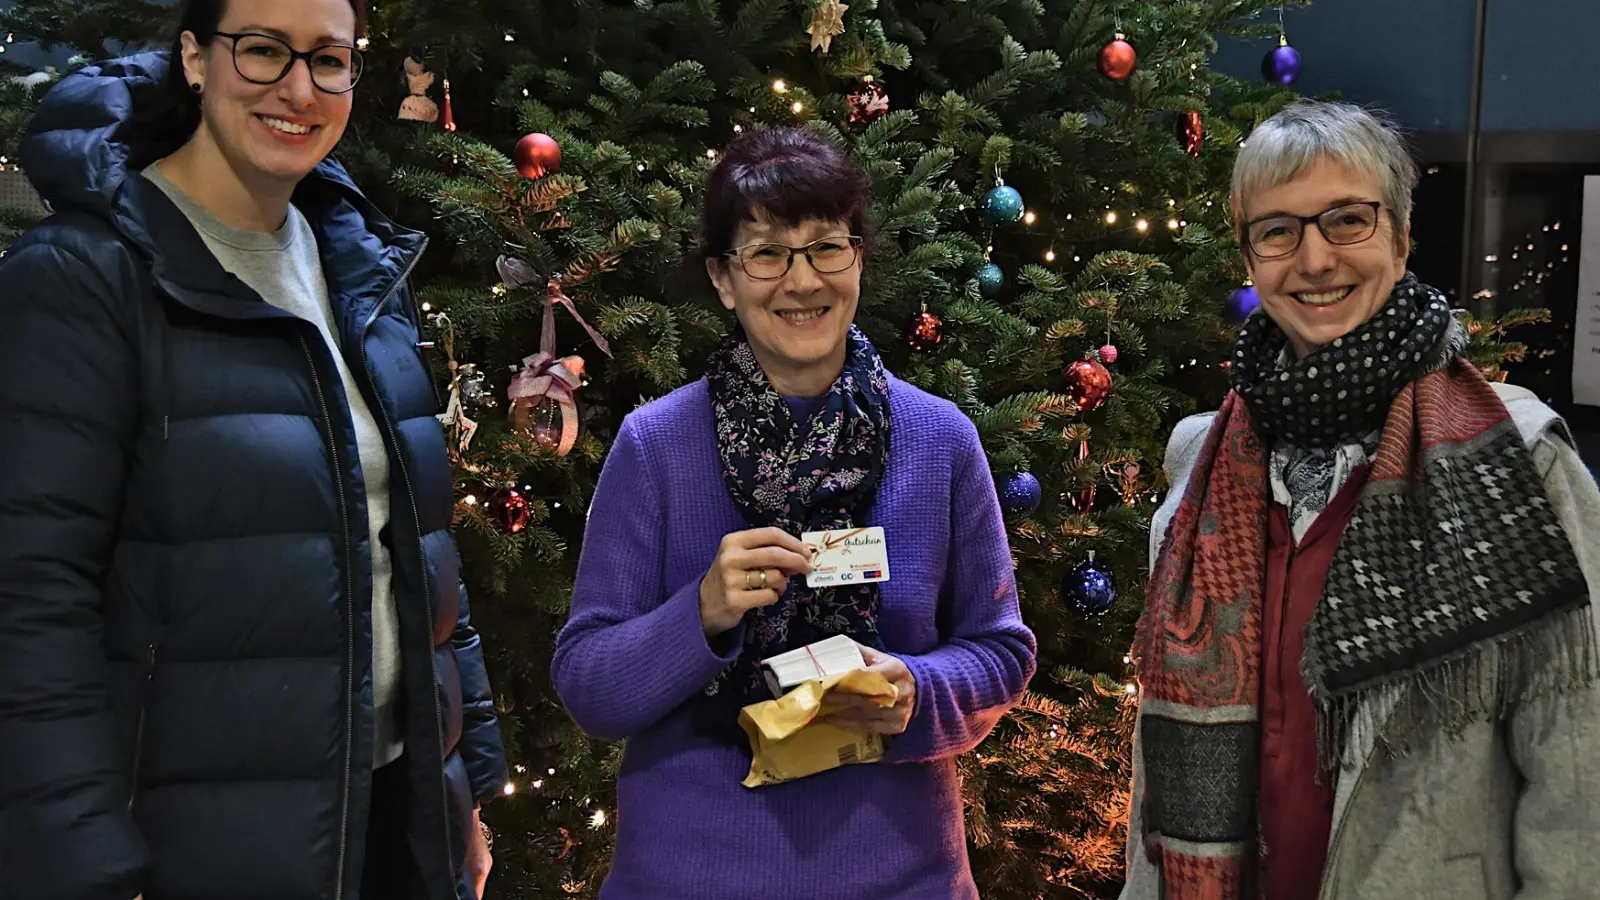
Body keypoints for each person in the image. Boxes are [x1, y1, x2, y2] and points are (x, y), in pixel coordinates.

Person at [0, 1, 508, 898]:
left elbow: (417, 547)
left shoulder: (358, 268)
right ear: (195, 57)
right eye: (264, 51)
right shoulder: (84, 278)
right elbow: (29, 602)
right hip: (194, 847)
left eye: (329, 59)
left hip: (389, 816)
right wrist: (83, 861)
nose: (299, 90)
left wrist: (459, 793)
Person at [1123, 100, 1600, 900]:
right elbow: (1158, 769)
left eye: (1347, 220)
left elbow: (1581, 772)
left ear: (1402, 236)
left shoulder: (1516, 456)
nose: (1313, 260)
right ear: (1250, 257)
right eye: (1277, 231)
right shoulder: (1202, 460)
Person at [552, 126, 1037, 900]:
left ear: (858, 260)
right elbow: (587, 685)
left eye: (825, 247)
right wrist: (701, 614)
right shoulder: (656, 445)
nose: (802, 281)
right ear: (723, 278)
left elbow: (1000, 653)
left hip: (902, 877)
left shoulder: (940, 439)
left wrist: (916, 690)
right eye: (769, 253)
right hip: (687, 878)